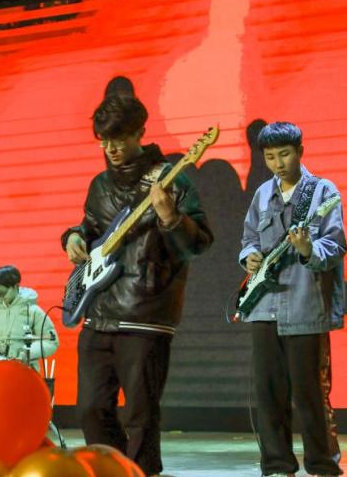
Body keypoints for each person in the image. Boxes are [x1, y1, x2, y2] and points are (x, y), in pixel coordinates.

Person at [62, 93, 212, 477]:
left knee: (141, 414)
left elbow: (198, 243)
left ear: (140, 133)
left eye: (120, 139)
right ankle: (115, 470)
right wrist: (73, 237)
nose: (111, 149)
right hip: (99, 310)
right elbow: (92, 229)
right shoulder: (100, 185)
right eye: (104, 141)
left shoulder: (171, 178)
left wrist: (171, 218)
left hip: (146, 311)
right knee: (91, 409)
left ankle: (142, 472)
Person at [239, 122, 345, 477]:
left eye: (284, 154)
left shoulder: (323, 191)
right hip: (264, 307)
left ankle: (322, 464)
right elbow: (249, 239)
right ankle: (277, 463)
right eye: (270, 157)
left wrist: (307, 248)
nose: (278, 163)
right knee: (269, 394)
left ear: (300, 151)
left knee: (310, 394)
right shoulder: (261, 194)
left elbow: (336, 245)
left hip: (305, 307)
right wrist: (250, 256)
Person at [0, 265, 59, 369]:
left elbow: (51, 341)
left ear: (16, 286)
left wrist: (28, 352)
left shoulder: (33, 311)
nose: (1, 294)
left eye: (5, 290)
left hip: (26, 370)